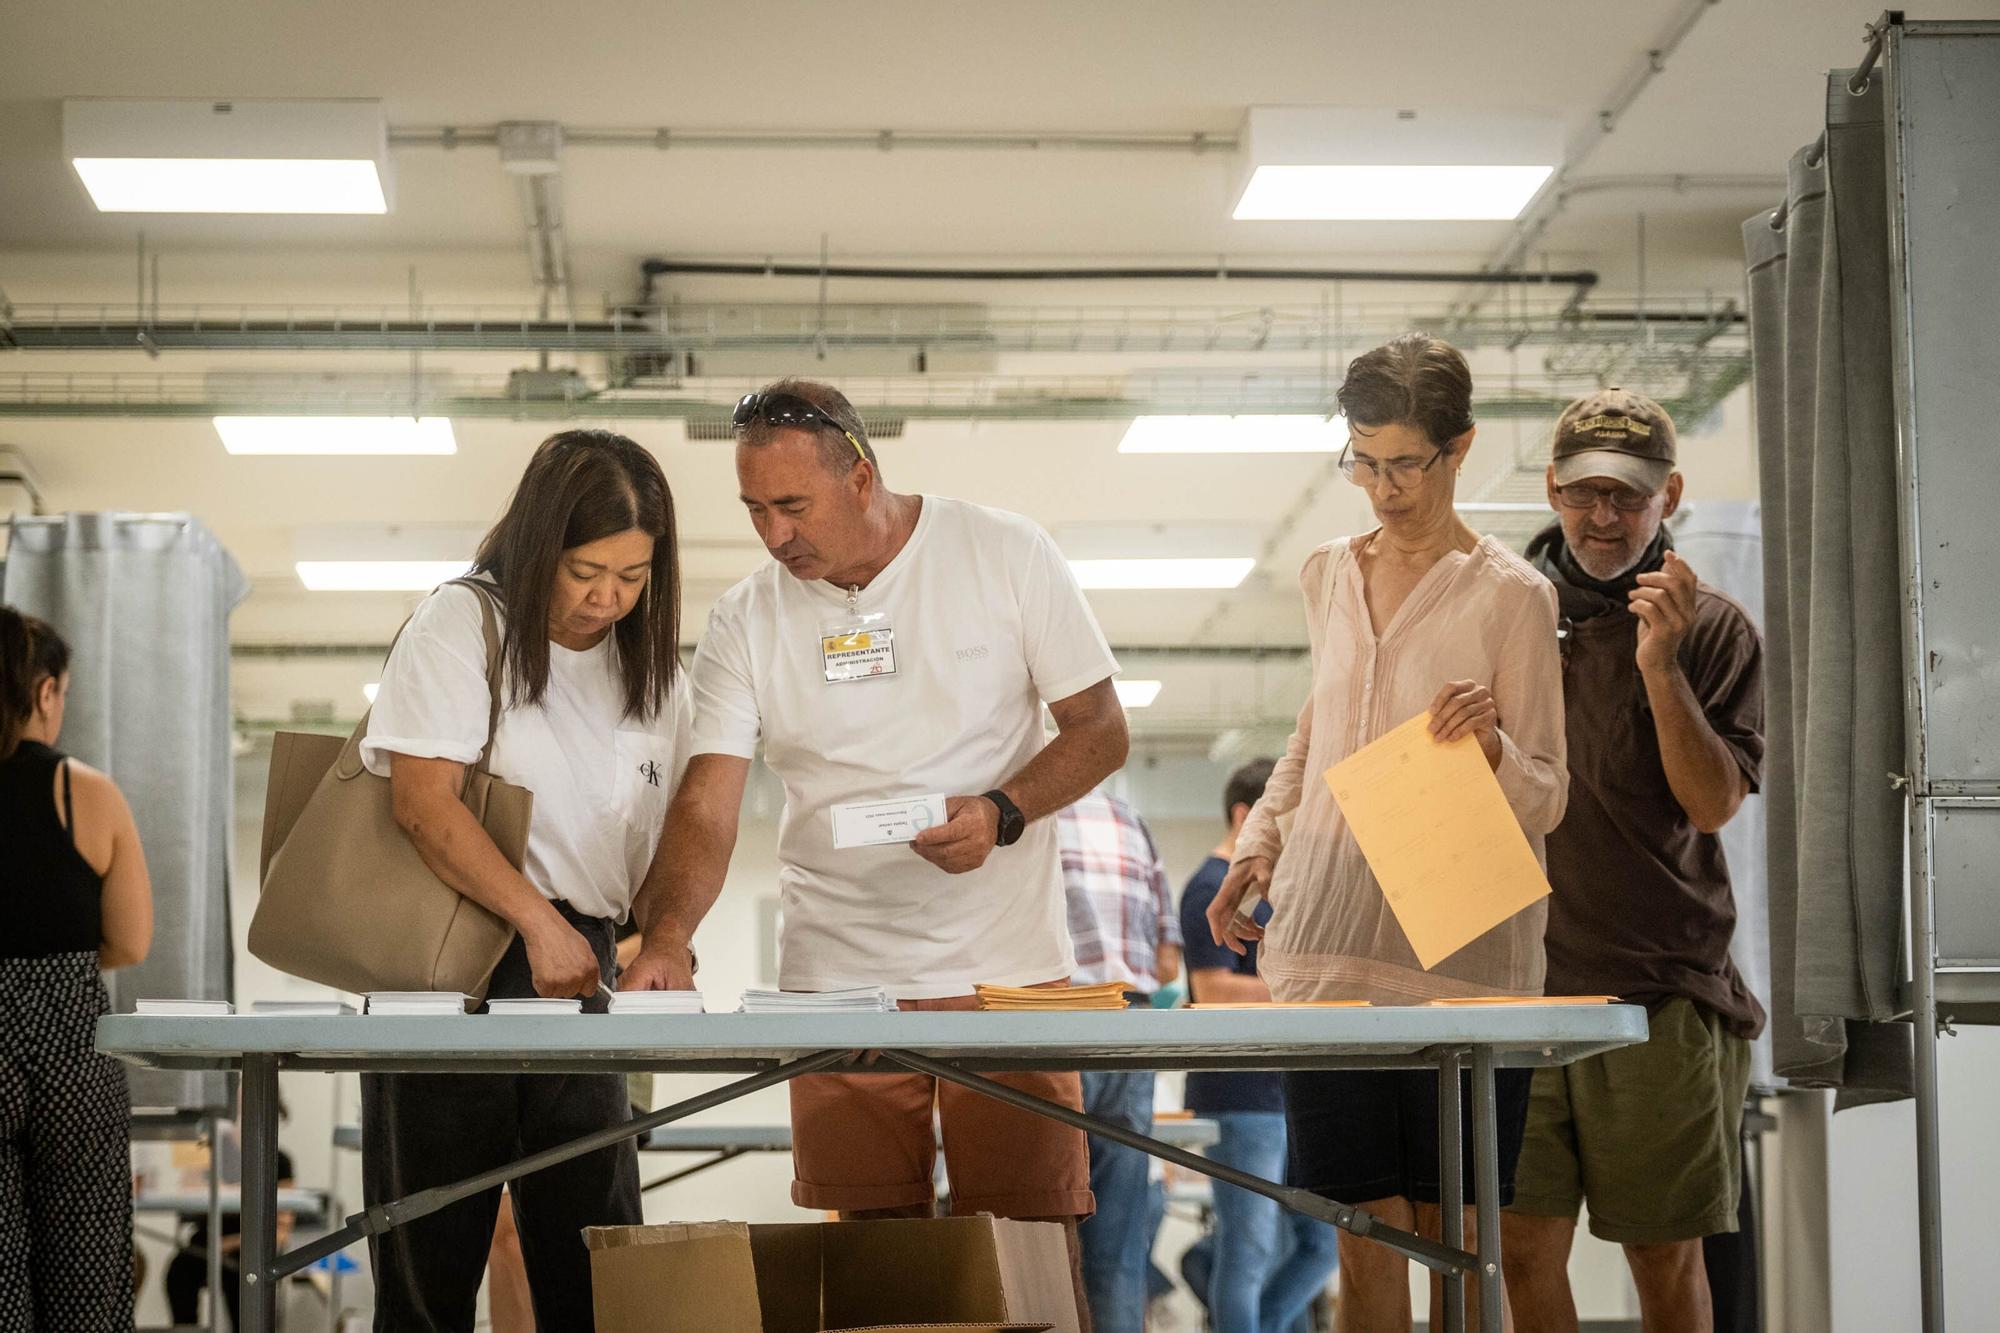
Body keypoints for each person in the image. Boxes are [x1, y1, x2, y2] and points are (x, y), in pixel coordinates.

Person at [622, 378, 1128, 1323]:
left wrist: (1003, 811)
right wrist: (668, 934)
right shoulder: (746, 618)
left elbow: (1100, 728)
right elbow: (706, 803)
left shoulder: (1003, 552)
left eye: (792, 506)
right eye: (755, 510)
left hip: (1006, 975)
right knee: (875, 1266)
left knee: (1032, 1255)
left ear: (861, 476)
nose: (775, 535)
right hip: (839, 980)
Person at [1206, 333, 1567, 1333]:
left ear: (1458, 450)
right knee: (1361, 1233)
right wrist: (1256, 851)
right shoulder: (1326, 573)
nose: (1380, 486)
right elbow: (1308, 741)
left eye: (1402, 463)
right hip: (1321, 960)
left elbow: (1548, 797)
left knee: (1454, 1238)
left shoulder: (1511, 596)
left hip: (1461, 966)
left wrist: (1492, 748)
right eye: (1361, 461)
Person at [359, 428, 691, 1331]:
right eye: (587, 569)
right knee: (432, 1266)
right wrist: (536, 922)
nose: (607, 596)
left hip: (585, 967)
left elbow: (671, 830)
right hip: (450, 963)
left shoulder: (652, 670)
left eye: (632, 574)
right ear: (540, 540)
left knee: (592, 1257)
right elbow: (424, 805)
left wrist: (664, 938)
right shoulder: (464, 622)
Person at [1503, 390, 1765, 1333]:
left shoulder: (1715, 629)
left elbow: (1711, 801)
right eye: (1585, 494)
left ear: (1671, 496)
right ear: (1553, 489)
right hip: (1518, 993)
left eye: (1629, 495)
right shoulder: (1502, 615)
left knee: (1663, 1251)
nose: (1604, 516)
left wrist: (1660, 665)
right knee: (1523, 1247)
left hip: (1658, 992)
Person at [0, 606, 154, 1331]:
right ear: (45, 691)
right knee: (87, 1281)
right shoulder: (84, 791)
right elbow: (130, 940)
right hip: (72, 1041)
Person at [1179, 758, 1340, 1333]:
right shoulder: (1208, 886)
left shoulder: (1274, 890)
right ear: (1246, 815)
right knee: (1246, 1253)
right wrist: (1306, 986)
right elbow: (1213, 989)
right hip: (1239, 1096)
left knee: (1319, 1246)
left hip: (1285, 1092)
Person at [1058, 788, 1182, 1333]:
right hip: (1130, 1027)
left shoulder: (1017, 814)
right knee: (1118, 1252)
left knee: (1040, 1243)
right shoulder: (1131, 818)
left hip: (1048, 1021)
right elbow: (1169, 962)